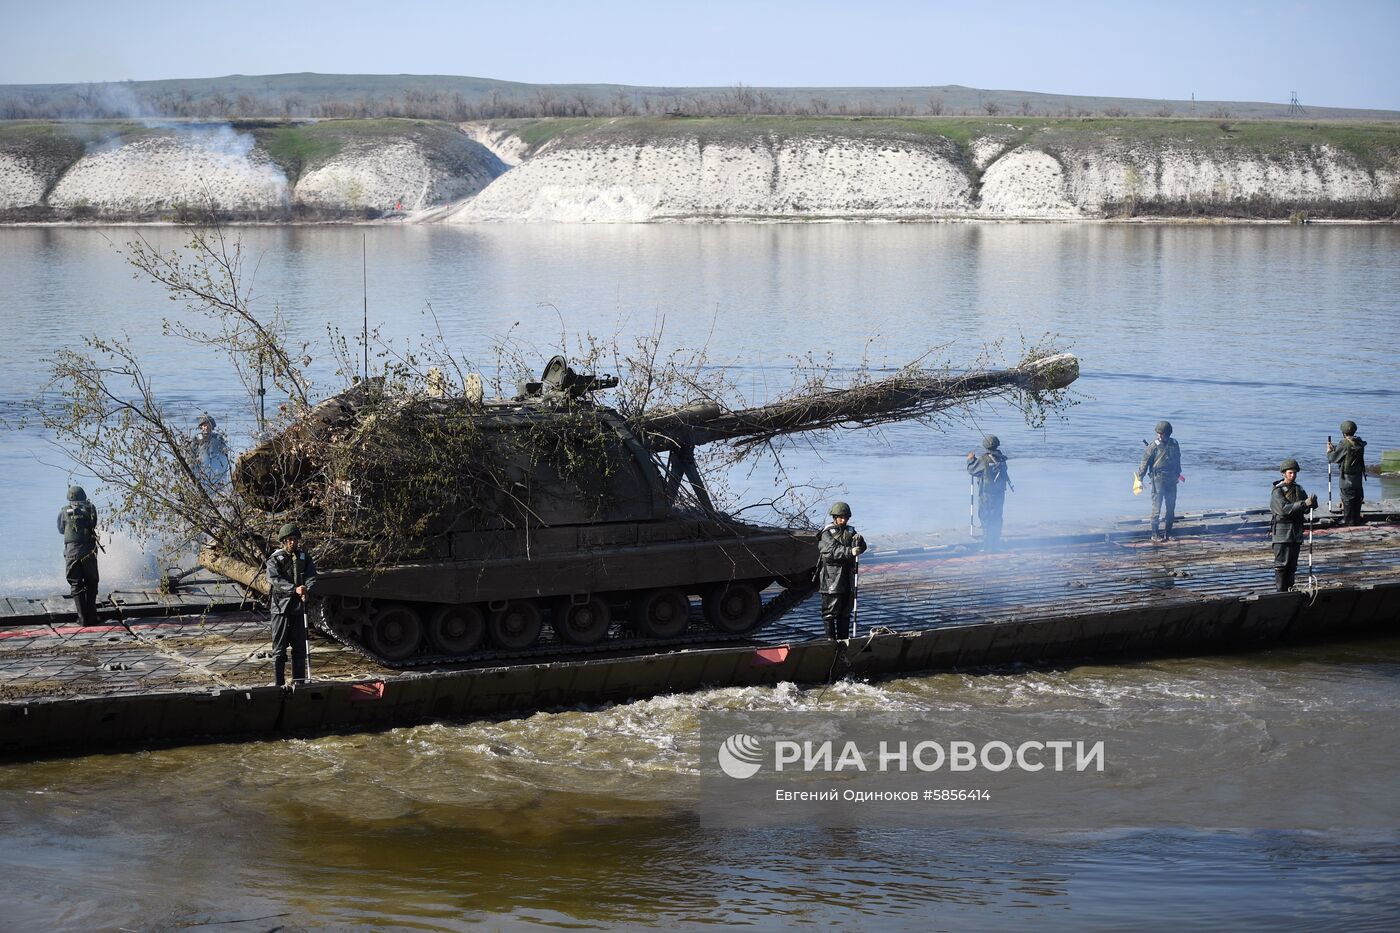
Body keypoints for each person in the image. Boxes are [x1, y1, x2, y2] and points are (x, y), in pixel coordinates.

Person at [266, 523, 318, 687]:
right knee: (279, 650)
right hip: (281, 607)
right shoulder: (275, 559)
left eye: (295, 540)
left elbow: (311, 575)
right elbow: (274, 579)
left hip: (298, 608)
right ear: (283, 541)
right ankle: (279, 684)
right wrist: (294, 589)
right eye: (289, 540)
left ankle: (299, 682)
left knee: (300, 649)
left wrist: (306, 589)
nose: (293, 543)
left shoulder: (304, 557)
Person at [818, 501, 866, 640]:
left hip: (847, 577)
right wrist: (850, 551)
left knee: (845, 612)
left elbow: (860, 548)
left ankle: (844, 640)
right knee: (830, 612)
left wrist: (860, 542)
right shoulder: (827, 533)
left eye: (845, 517)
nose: (843, 520)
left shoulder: (851, 531)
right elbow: (831, 550)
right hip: (831, 579)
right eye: (841, 517)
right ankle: (830, 640)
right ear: (835, 517)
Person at [1270, 459, 1317, 592]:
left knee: (1292, 565)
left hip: (1296, 532)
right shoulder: (1277, 491)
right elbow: (1284, 509)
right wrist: (1304, 504)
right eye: (1290, 473)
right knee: (1281, 564)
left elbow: (1306, 509)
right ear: (1284, 474)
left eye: (1295, 473)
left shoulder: (1299, 489)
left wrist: (1313, 503)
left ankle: (1289, 590)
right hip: (1282, 533)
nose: (1293, 475)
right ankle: (1280, 591)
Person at [57, 485, 100, 626]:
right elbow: (93, 523)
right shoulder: (91, 508)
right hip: (89, 551)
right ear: (84, 496)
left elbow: (61, 530)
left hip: (71, 552)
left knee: (76, 584)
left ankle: (82, 619)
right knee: (91, 583)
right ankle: (92, 616)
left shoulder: (64, 511)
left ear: (69, 498)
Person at [1135, 420, 1183, 542]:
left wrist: (1178, 474)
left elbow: (1177, 460)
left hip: (1171, 480)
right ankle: (1155, 534)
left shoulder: (1174, 444)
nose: (1159, 435)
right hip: (1158, 480)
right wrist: (1139, 478)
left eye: (1162, 433)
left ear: (1168, 433)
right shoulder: (1153, 446)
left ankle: (1168, 534)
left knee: (1171, 508)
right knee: (1156, 508)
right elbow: (1144, 463)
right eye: (1158, 433)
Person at [967, 434, 1011, 550]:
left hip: (986, 494)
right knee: (997, 517)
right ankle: (996, 543)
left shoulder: (984, 459)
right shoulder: (1001, 458)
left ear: (985, 446)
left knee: (986, 518)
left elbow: (972, 470)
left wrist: (971, 460)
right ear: (997, 445)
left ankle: (987, 546)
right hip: (1000, 493)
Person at [1326, 420, 1367, 526]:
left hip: (1346, 476)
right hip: (1358, 476)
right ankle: (1356, 519)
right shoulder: (1359, 442)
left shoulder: (1343, 443)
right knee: (1357, 496)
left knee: (1347, 497)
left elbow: (1333, 458)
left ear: (1343, 432)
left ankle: (1348, 520)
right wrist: (1336, 448)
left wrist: (1329, 451)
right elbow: (1348, 452)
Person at [193, 414, 231, 492]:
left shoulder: (218, 438)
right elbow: (191, 455)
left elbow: (225, 455)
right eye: (204, 425)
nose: (206, 427)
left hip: (216, 471)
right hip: (202, 470)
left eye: (208, 425)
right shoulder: (197, 439)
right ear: (201, 427)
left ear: (212, 426)